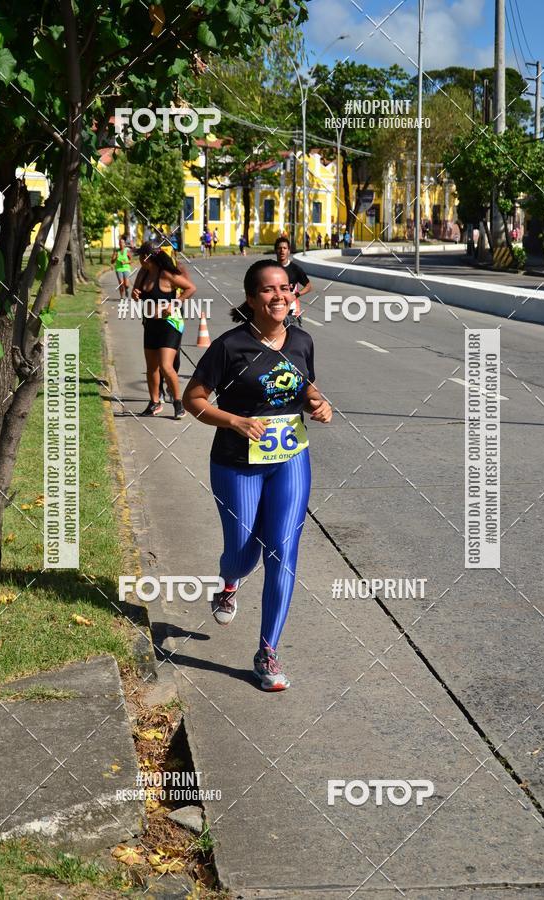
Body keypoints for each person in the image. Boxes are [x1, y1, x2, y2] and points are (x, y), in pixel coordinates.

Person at [183, 260, 332, 690]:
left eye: (285, 288)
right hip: (236, 463)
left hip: (290, 461)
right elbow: (193, 399)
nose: (280, 296)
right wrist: (234, 421)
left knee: (283, 551)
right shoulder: (230, 347)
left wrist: (318, 403)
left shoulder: (302, 340)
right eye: (269, 290)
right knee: (243, 553)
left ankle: (267, 652)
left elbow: (306, 387)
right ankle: (229, 581)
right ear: (251, 299)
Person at [132, 242, 196, 418]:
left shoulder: (166, 275)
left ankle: (178, 402)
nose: (138, 259)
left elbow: (191, 288)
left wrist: (175, 303)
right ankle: (154, 403)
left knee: (166, 366)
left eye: (140, 255)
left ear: (147, 257)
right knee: (151, 367)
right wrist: (135, 294)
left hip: (170, 324)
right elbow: (135, 293)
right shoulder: (143, 273)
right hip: (151, 324)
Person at [274, 235, 312, 326]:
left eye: (285, 248)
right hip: (274, 312)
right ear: (276, 250)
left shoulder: (295, 269)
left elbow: (309, 286)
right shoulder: (270, 269)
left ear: (289, 251)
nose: (282, 250)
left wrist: (295, 295)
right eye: (279, 248)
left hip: (292, 314)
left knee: (296, 340)